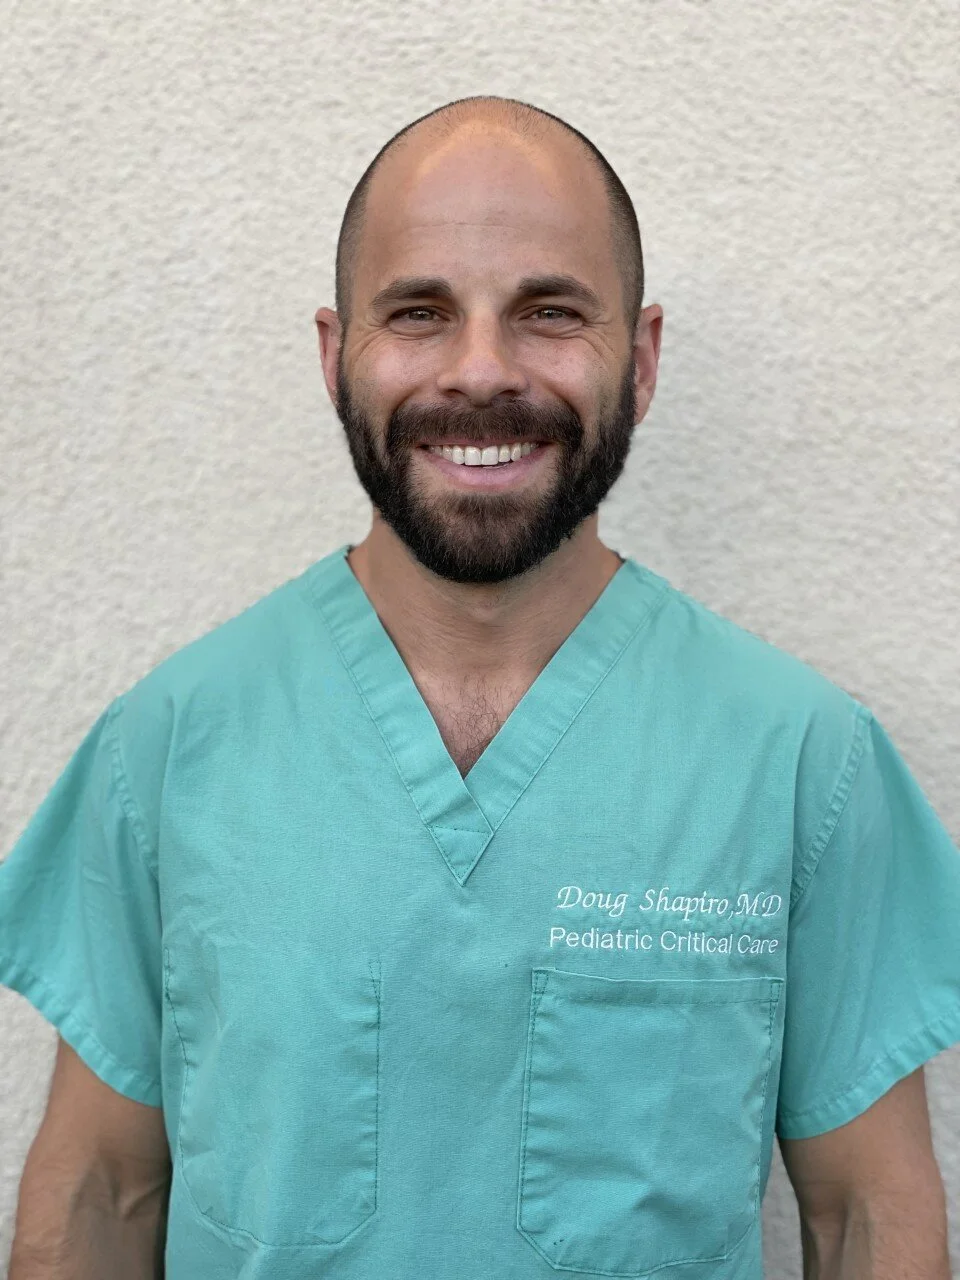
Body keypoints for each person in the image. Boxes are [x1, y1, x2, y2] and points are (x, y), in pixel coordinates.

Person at [1, 94, 958, 1280]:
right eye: (419, 312)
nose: (482, 370)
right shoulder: (168, 744)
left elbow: (866, 1214)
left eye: (550, 311)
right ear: (335, 356)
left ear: (642, 358)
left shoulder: (805, 759)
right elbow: (99, 1190)